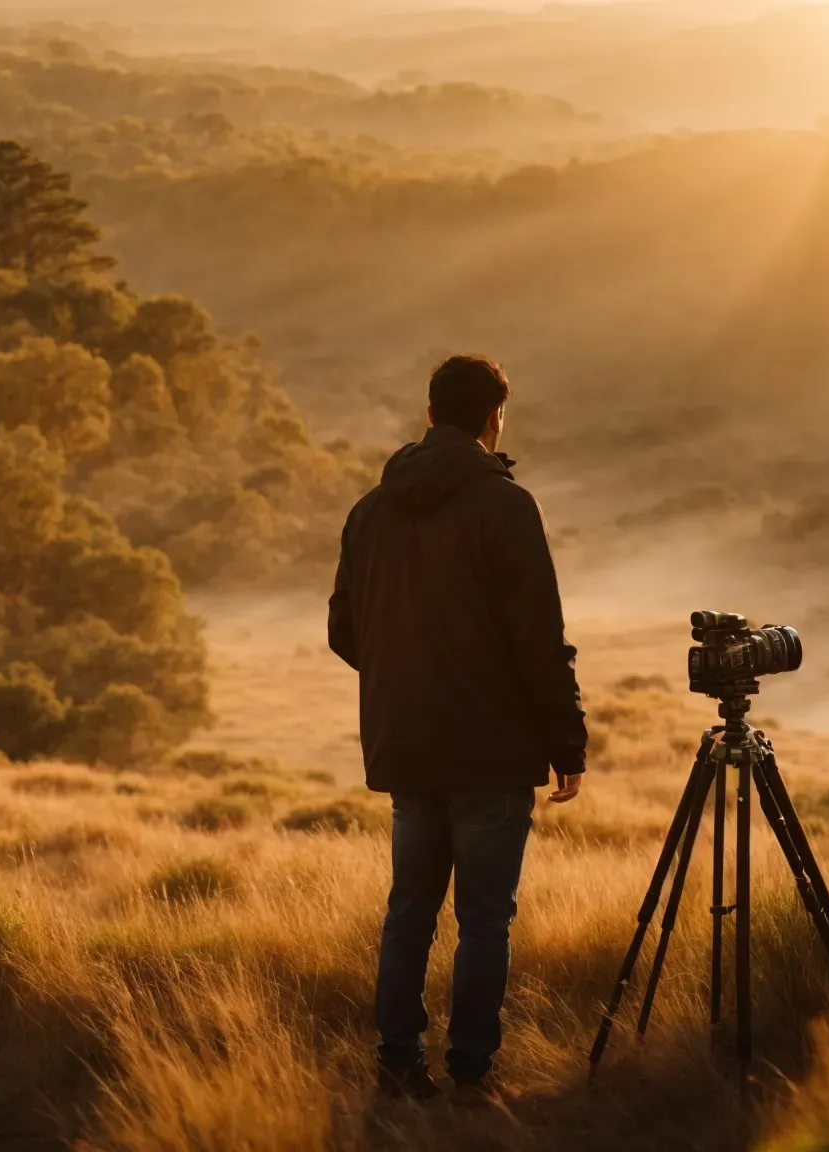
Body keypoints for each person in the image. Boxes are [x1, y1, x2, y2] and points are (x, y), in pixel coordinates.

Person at [328, 354, 589, 1104]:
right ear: (491, 418)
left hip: (406, 747)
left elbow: (345, 628)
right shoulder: (507, 508)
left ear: (431, 411)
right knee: (483, 920)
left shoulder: (369, 511)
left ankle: (398, 1062)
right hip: (491, 753)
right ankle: (472, 1071)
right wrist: (566, 742)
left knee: (408, 912)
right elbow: (539, 638)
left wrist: (404, 678)